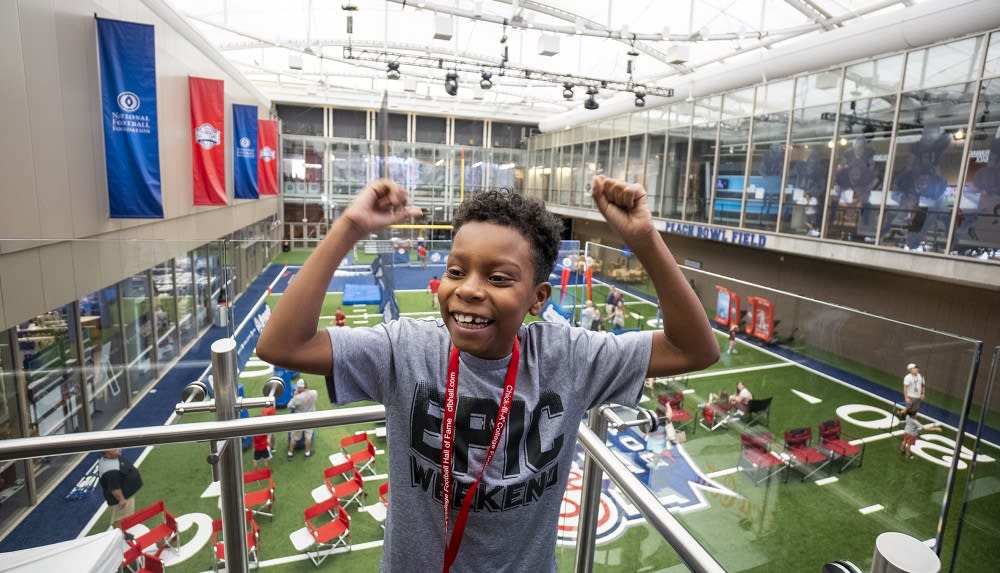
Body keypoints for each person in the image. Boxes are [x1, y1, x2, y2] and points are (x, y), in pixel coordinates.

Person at [255, 176, 718, 573]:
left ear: (538, 299)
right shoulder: (405, 348)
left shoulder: (568, 358)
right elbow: (283, 345)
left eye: (498, 278)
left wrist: (644, 240)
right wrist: (349, 228)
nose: (470, 290)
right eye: (457, 271)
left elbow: (694, 349)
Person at [98, 448, 143, 530]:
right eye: (114, 449)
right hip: (122, 499)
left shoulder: (112, 458)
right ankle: (122, 534)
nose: (118, 449)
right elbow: (115, 489)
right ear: (107, 453)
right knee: (121, 520)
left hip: (126, 494)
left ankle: (124, 530)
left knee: (125, 517)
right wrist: (121, 500)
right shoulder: (110, 470)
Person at [286, 380, 318, 459]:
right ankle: (307, 453)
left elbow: (289, 406)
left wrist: (295, 396)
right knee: (308, 437)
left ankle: (290, 453)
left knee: (294, 437)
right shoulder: (314, 392)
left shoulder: (298, 398)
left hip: (299, 419)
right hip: (310, 418)